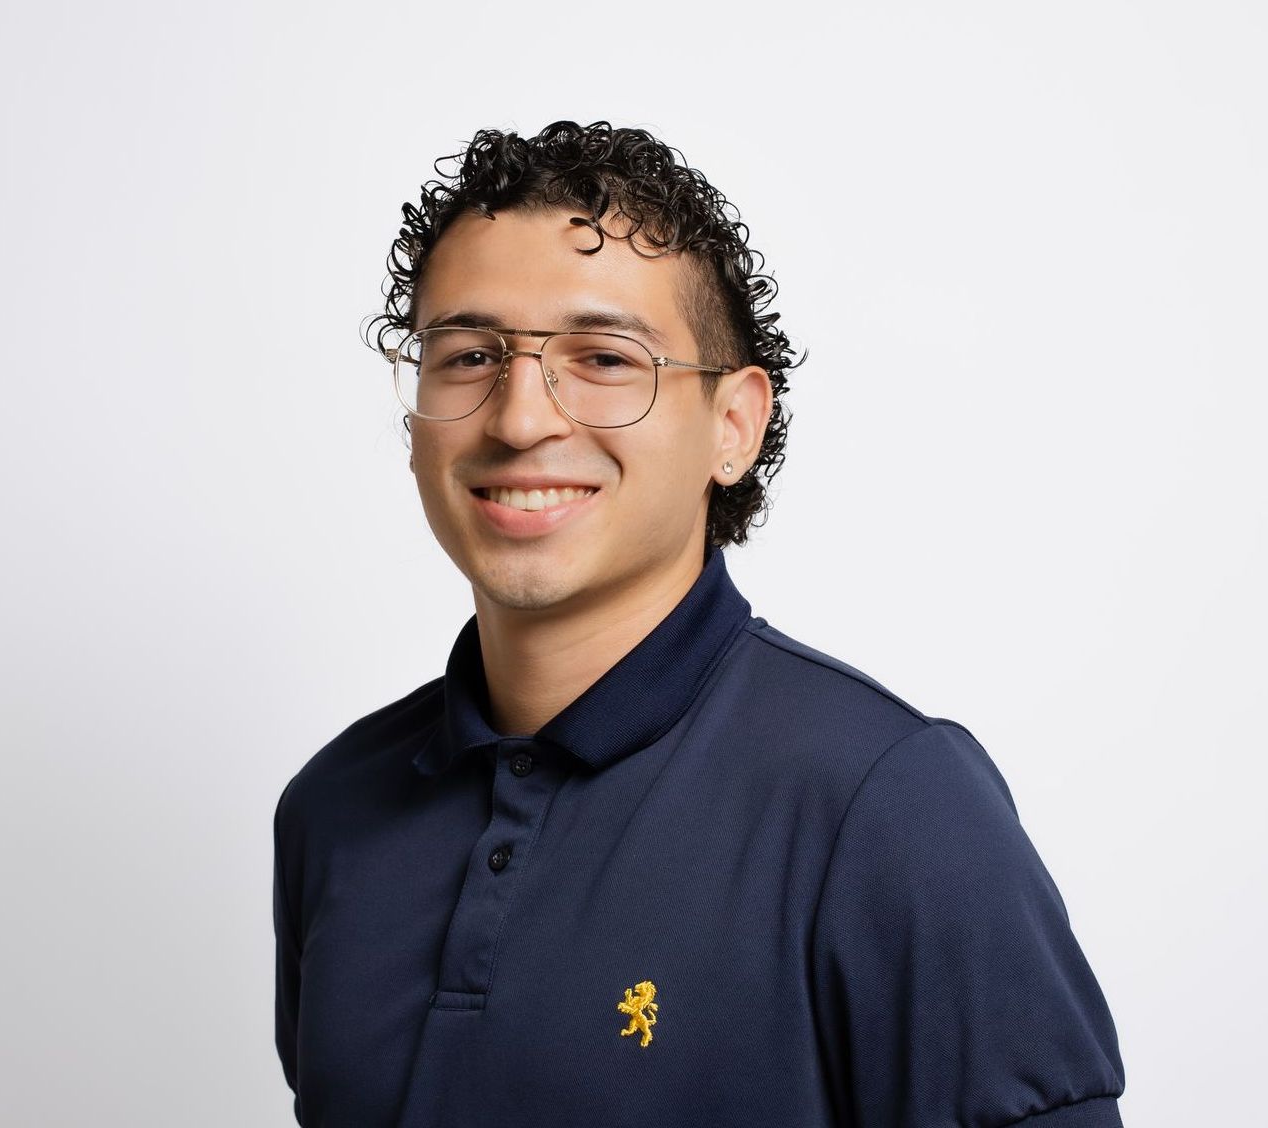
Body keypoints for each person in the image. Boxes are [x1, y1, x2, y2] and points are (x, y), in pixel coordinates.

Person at [272, 120, 1125, 1127]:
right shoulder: (335, 810)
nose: (518, 418)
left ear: (733, 425)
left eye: (602, 357)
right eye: (466, 356)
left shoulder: (888, 809)